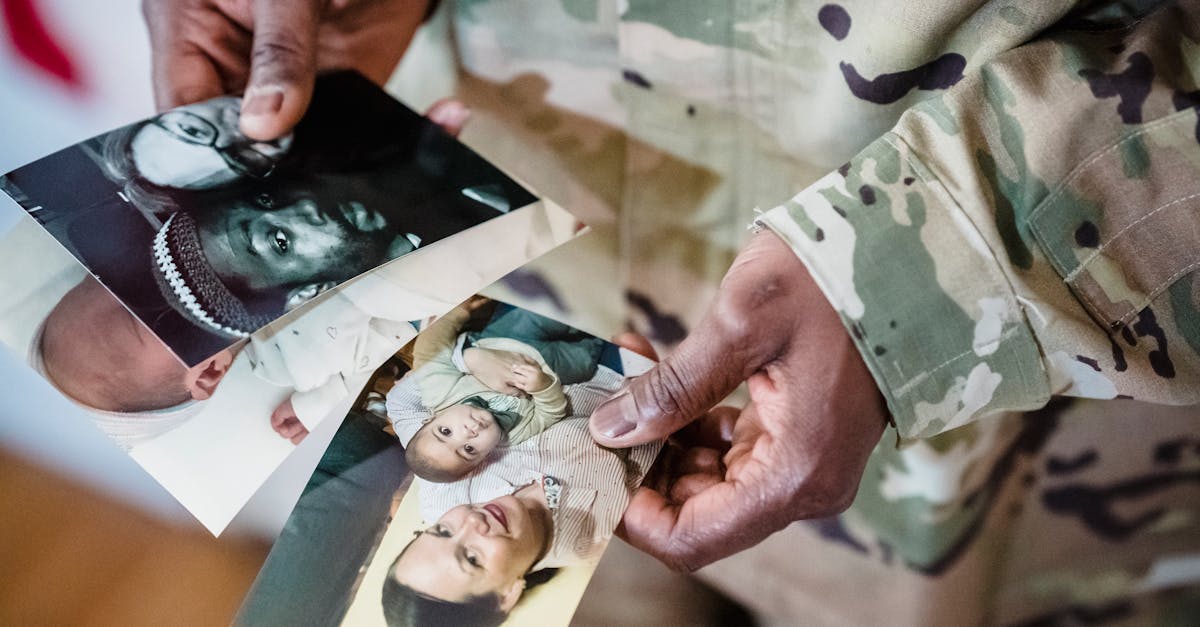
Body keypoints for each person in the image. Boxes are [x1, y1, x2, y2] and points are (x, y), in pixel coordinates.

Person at [146, 0, 1200, 623]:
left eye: (448, 535)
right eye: (469, 547)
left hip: (1025, 386)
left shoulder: (461, 419)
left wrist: (914, 276)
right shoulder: (505, 488)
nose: (466, 520)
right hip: (554, 225)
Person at [400, 300, 605, 482]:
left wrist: (456, 314)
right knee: (585, 362)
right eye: (469, 449)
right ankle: (602, 329)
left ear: (431, 418)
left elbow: (429, 353)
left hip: (507, 338)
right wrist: (542, 387)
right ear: (485, 457)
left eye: (446, 431)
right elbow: (551, 413)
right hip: (551, 367)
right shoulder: (512, 435)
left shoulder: (439, 394)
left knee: (550, 309)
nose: (468, 432)